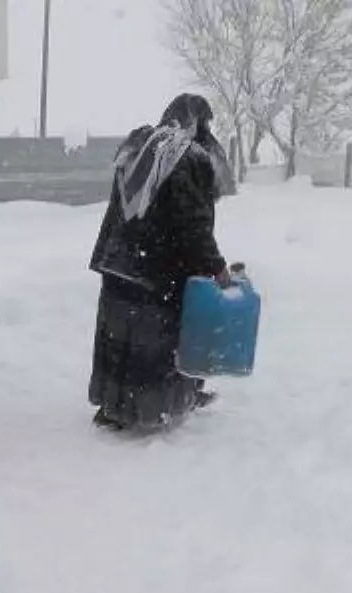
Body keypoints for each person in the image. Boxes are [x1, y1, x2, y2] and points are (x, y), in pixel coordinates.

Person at [88, 93, 233, 432]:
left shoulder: (140, 145)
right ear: (197, 121)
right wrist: (216, 266)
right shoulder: (188, 156)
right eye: (205, 122)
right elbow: (192, 224)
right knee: (152, 342)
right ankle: (149, 410)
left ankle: (113, 407)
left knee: (117, 338)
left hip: (119, 261)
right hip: (157, 268)